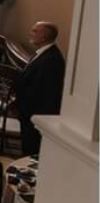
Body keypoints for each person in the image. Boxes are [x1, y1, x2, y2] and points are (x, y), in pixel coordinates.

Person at [15, 22, 66, 155]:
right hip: (29, 112)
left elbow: (43, 90)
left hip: (37, 114)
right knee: (28, 147)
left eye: (35, 31)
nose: (30, 33)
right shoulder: (43, 53)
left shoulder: (52, 58)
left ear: (44, 36)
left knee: (33, 150)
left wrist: (25, 109)